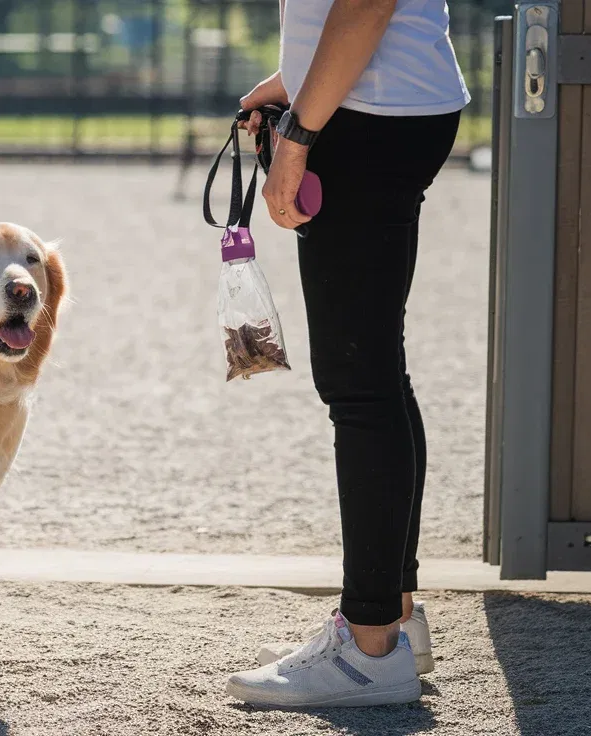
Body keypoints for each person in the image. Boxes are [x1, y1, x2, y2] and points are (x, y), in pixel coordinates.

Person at [224, 0, 468, 708]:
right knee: (378, 377)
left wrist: (299, 134)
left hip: (362, 119)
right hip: (381, 104)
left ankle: (369, 650)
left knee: (359, 387)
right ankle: (393, 616)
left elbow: (367, 3)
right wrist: (294, 79)